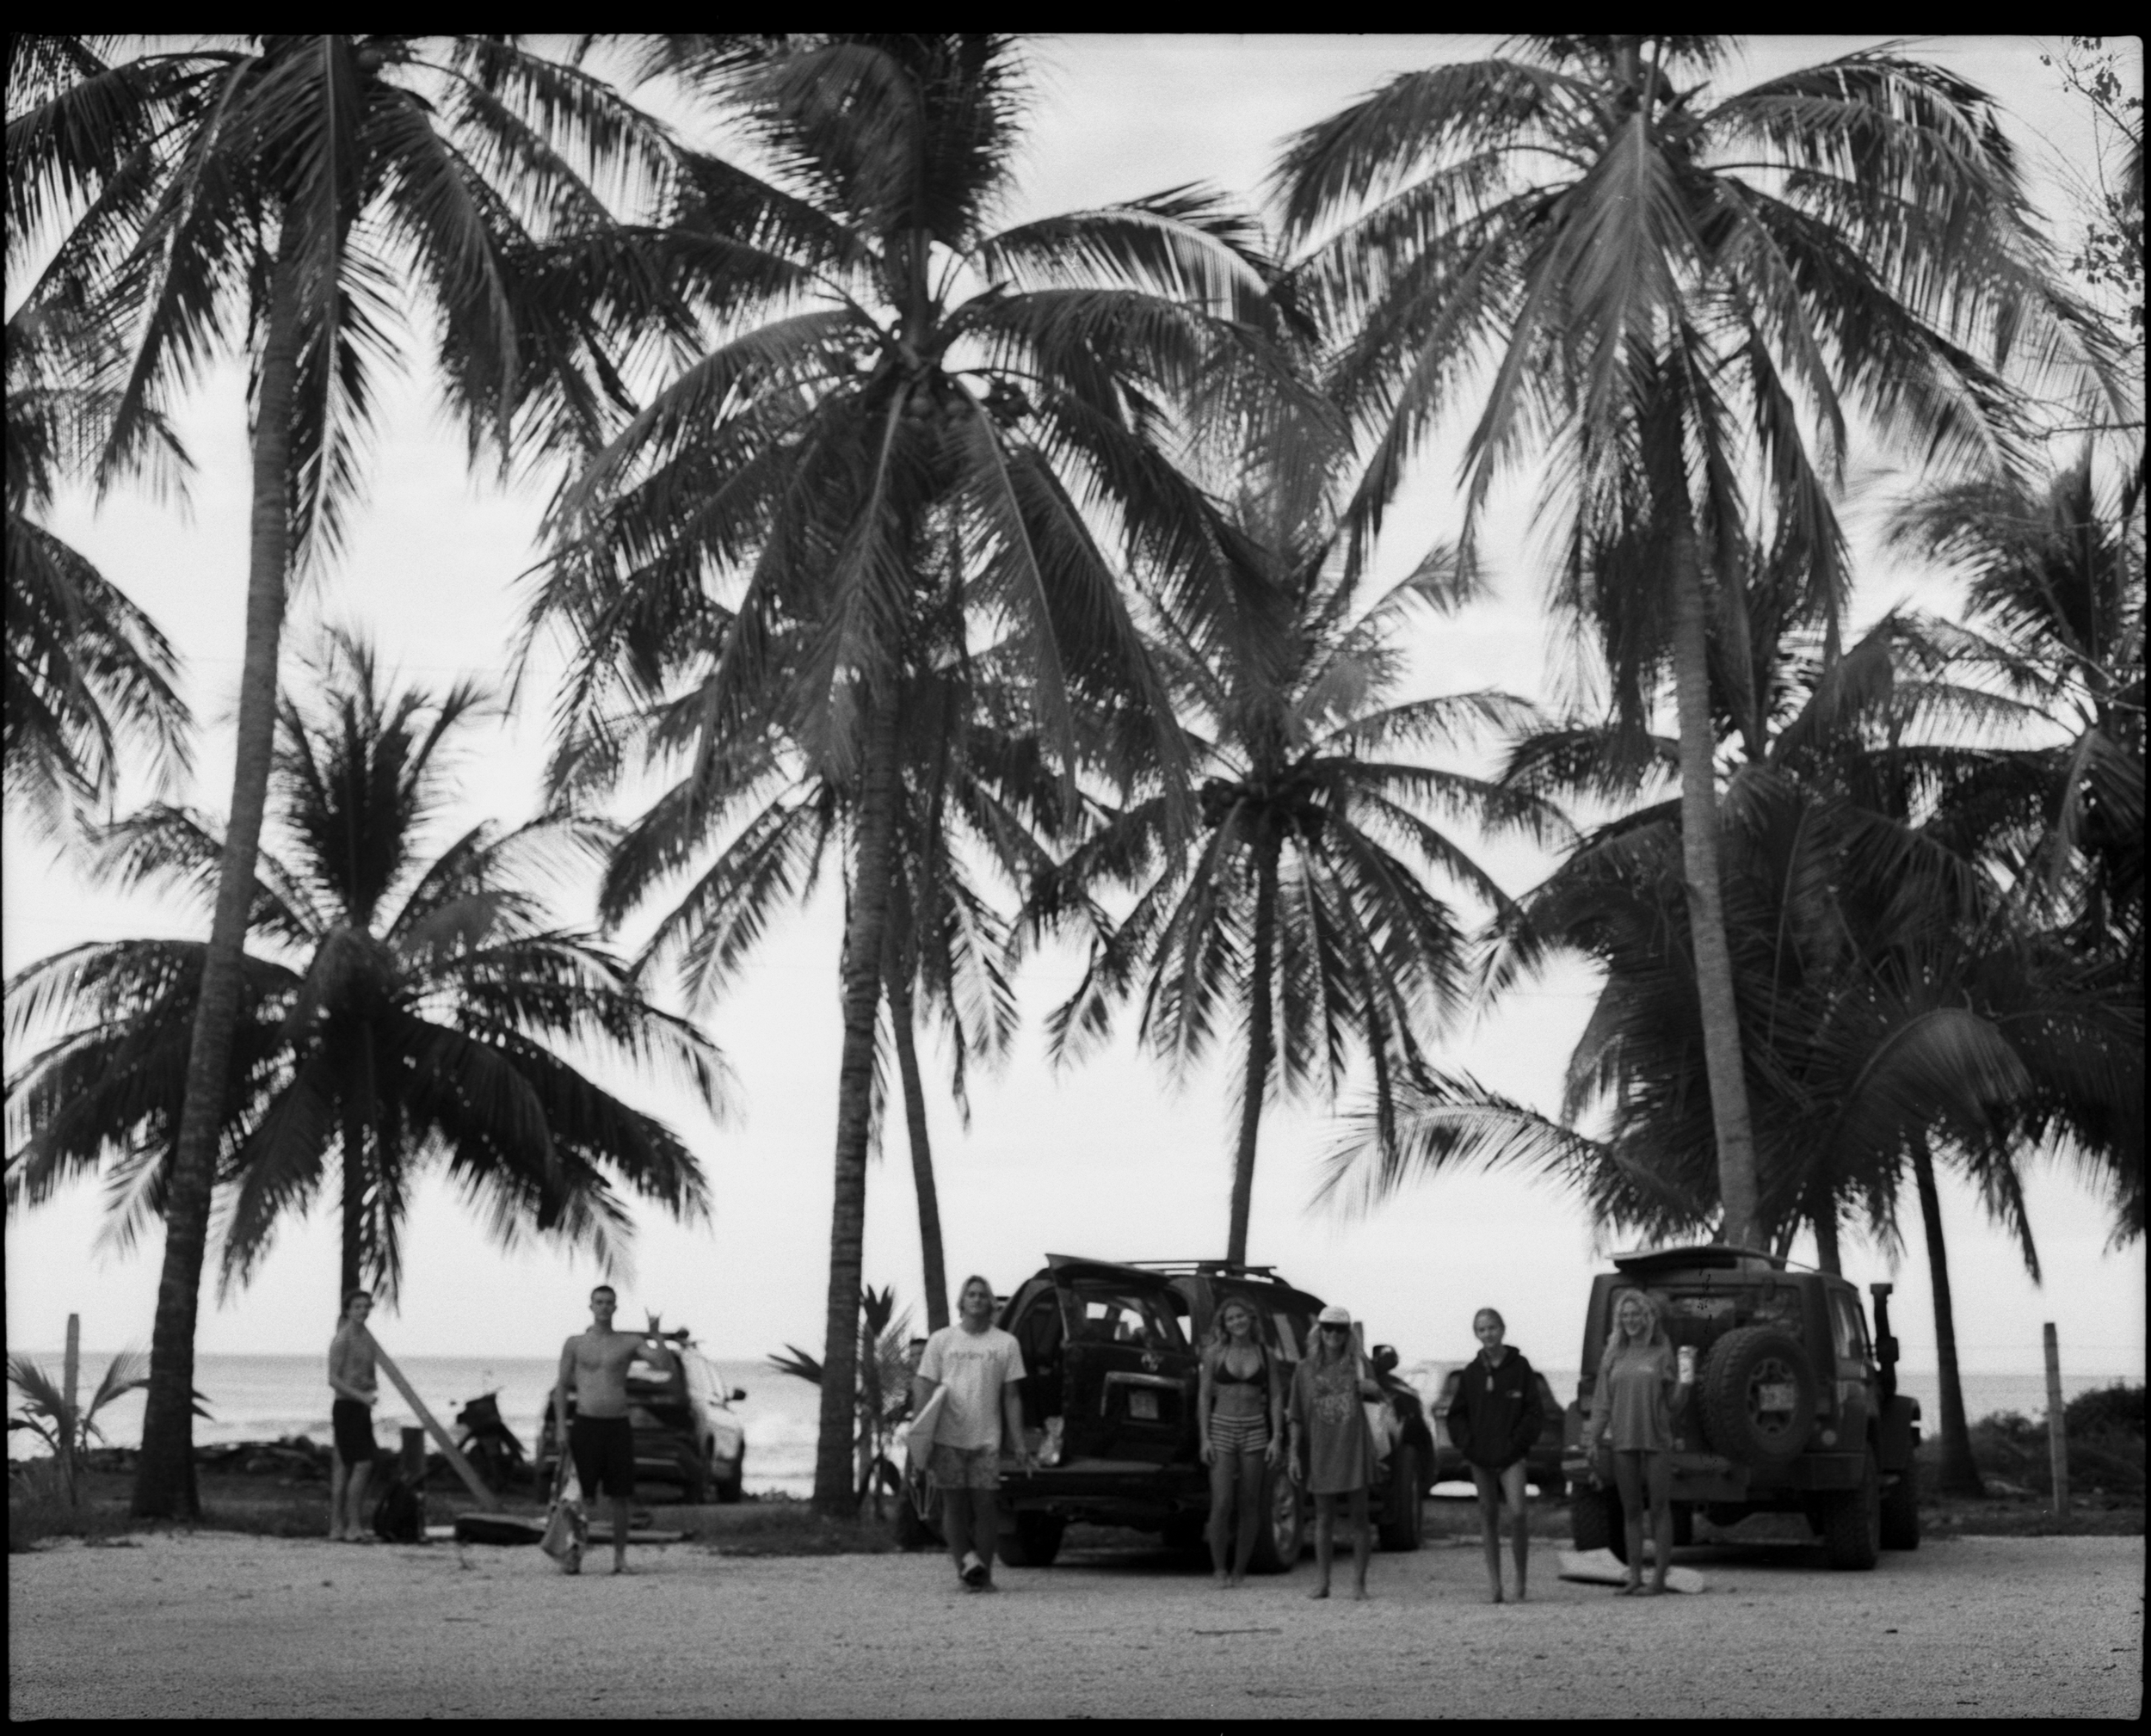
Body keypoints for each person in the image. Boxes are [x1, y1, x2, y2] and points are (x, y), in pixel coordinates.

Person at [910, 1274, 1033, 1592]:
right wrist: (919, 1432)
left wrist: (1018, 1443)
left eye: (982, 1295)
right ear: (962, 1302)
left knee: (986, 1505)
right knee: (954, 1505)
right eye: (971, 1295)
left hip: (986, 1439)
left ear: (991, 1303)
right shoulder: (942, 1340)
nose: (977, 1300)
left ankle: (984, 1572)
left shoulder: (1006, 1344)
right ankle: (966, 1563)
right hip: (947, 1436)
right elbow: (924, 1385)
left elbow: (1012, 1396)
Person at [554, 1284, 678, 1575]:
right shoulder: (575, 1343)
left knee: (620, 1495)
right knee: (578, 1496)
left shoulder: (629, 1342)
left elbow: (663, 1366)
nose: (604, 1307)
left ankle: (619, 1559)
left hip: (617, 1425)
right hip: (585, 1423)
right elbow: (561, 1386)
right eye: (599, 1302)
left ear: (616, 1307)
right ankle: (575, 1554)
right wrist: (561, 1425)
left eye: (609, 1302)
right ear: (590, 1306)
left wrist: (656, 1334)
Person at [1578, 1288, 1692, 1595]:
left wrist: (1687, 1383)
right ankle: (1635, 1577)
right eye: (1625, 1315)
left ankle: (1658, 1580)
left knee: (1659, 1508)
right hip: (1623, 1440)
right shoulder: (1613, 1354)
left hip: (1656, 1438)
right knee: (1630, 1510)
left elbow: (1673, 1403)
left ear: (1647, 1317)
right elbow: (1602, 1401)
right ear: (1620, 1319)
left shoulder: (1661, 1352)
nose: (1631, 1320)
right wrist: (1593, 1437)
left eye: (1636, 1314)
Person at [1447, 1307, 1544, 1603]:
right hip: (1480, 1456)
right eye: (1481, 1329)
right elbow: (1457, 1415)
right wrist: (1468, 1445)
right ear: (1476, 1334)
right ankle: (1495, 1585)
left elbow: (1533, 1412)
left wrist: (1517, 1444)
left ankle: (1521, 1581)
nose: (1488, 1334)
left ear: (1502, 1329)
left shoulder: (1520, 1367)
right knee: (1487, 1515)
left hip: (1511, 1455)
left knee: (1517, 1514)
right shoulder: (1472, 1373)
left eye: (1492, 1328)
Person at [1288, 1303, 1382, 1601]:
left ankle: (1359, 1584)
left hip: (1354, 1447)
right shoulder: (1304, 1369)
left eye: (1340, 1329)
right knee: (1323, 1518)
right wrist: (1292, 1452)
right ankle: (1323, 1583)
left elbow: (1379, 1397)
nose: (1333, 1335)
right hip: (1322, 1449)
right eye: (1328, 1328)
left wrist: (1369, 1386)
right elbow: (1296, 1416)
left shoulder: (1359, 1363)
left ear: (1348, 1333)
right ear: (1319, 1331)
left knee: (1359, 1518)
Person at [1199, 1296, 1284, 1588]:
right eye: (1230, 1318)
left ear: (1251, 1319)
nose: (1237, 1322)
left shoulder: (1265, 1353)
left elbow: (1275, 1395)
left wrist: (1277, 1438)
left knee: (1250, 1502)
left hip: (1255, 1429)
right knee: (1222, 1502)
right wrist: (1205, 1438)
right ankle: (1219, 1568)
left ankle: (1239, 1569)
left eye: (1241, 1316)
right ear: (1224, 1324)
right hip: (1221, 1427)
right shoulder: (1214, 1353)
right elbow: (1203, 1396)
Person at [328, 1290, 379, 1542]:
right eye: (358, 1307)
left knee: (343, 1468)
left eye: (366, 1307)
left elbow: (363, 1373)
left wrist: (369, 1387)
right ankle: (352, 1527)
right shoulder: (343, 1339)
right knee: (362, 1464)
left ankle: (338, 1528)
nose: (363, 1311)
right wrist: (362, 1397)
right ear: (348, 1310)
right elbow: (333, 1379)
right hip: (347, 1408)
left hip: (360, 1407)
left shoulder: (366, 1339)